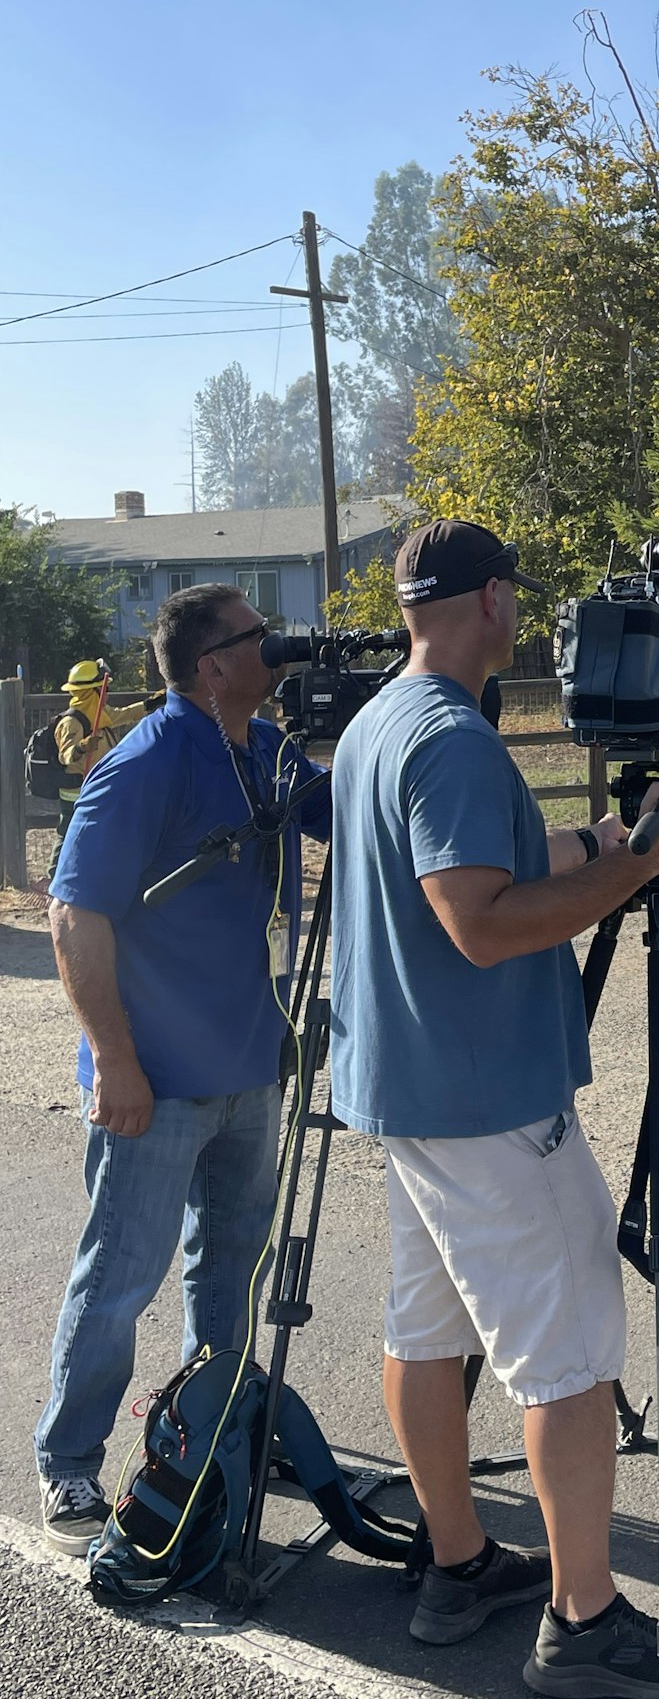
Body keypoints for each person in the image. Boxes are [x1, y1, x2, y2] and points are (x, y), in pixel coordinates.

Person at [329, 517, 659, 1693]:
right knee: (569, 1351)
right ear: (496, 598)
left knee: (429, 1327)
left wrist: (602, 838)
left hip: (409, 1088)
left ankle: (459, 1565)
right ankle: (584, 1618)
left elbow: (478, 856)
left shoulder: (379, 721)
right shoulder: (453, 734)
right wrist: (650, 864)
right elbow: (482, 919)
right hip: (487, 1097)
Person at [37, 585, 329, 1554]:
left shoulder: (266, 746)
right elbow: (74, 915)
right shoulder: (146, 760)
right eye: (259, 635)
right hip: (153, 1080)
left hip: (250, 1063)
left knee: (231, 1280)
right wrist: (114, 1057)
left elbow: (347, 809)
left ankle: (212, 1433)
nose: (275, 644)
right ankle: (71, 1464)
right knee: (120, 1275)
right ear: (212, 665)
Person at [49, 659, 160, 877]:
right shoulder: (72, 722)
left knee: (98, 832)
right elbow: (66, 756)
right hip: (75, 792)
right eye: (103, 689)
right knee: (69, 833)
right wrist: (83, 746)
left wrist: (152, 703)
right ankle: (55, 875)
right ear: (92, 692)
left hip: (96, 786)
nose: (106, 693)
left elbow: (125, 714)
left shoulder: (101, 715)